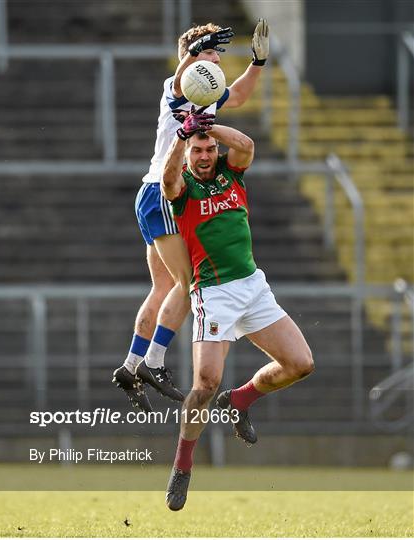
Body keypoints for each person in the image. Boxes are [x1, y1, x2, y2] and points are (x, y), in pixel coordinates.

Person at [112, 20, 270, 412]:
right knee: (190, 282)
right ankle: (154, 363)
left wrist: (258, 62)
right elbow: (183, 80)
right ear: (196, 57)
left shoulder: (207, 94)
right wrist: (193, 51)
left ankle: (131, 367)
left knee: (163, 288)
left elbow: (240, 96)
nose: (217, 61)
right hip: (162, 194)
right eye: (212, 55)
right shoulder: (179, 85)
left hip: (154, 196)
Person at [160, 110, 315, 511]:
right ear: (189, 153)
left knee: (300, 363)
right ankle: (182, 467)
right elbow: (168, 179)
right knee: (205, 383)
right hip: (213, 293)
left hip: (252, 287)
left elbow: (245, 144)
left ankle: (241, 400)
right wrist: (182, 137)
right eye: (198, 150)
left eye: (210, 148)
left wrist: (208, 126)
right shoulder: (185, 188)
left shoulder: (234, 173)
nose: (206, 155)